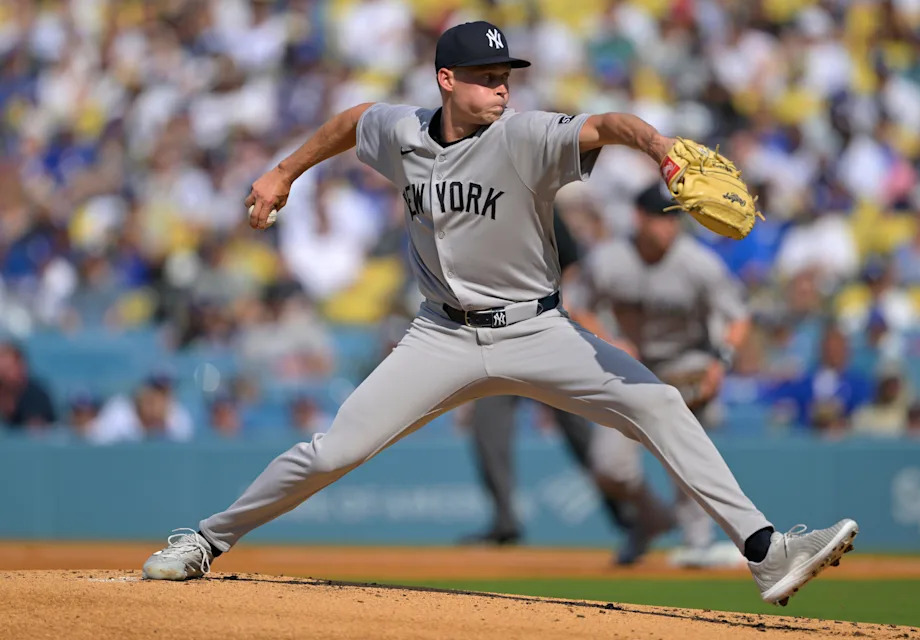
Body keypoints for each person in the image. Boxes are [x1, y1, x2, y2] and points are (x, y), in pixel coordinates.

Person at [142, 21, 858, 607]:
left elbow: (607, 122)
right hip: (440, 335)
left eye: (506, 77)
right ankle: (205, 539)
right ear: (446, 81)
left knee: (662, 404)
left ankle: (765, 552)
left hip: (539, 329)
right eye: (487, 77)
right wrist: (283, 172)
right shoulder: (403, 133)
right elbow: (354, 120)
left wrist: (662, 148)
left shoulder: (524, 136)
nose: (501, 88)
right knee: (334, 451)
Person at [584, 185, 754, 568]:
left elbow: (739, 317)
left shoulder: (698, 263)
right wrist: (610, 340)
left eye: (674, 218)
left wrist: (720, 362)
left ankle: (698, 542)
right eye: (661, 218)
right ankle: (652, 519)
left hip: (685, 363)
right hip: (628, 366)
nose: (669, 227)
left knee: (685, 453)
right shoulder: (609, 260)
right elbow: (577, 307)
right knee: (609, 467)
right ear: (639, 218)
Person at [459, 213, 640, 562]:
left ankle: (627, 516)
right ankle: (505, 523)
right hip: (496, 337)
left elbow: (572, 265)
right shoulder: (475, 203)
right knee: (487, 429)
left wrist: (559, 302)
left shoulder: (533, 199)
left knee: (578, 430)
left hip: (544, 330)